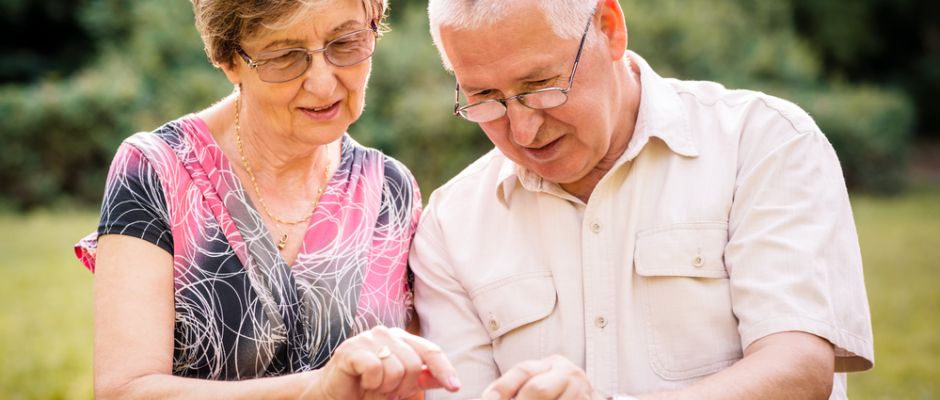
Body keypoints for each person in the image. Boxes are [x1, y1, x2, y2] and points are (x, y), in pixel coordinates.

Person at [410, 0, 874, 399]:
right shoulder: (450, 224)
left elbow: (800, 370)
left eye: (540, 87)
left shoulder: (763, 142)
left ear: (609, 28)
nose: (523, 130)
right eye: (485, 97)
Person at [73, 0, 461, 398]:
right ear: (228, 60)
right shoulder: (156, 169)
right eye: (285, 56)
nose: (324, 83)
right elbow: (124, 390)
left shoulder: (390, 189)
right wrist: (318, 389)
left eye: (346, 42)